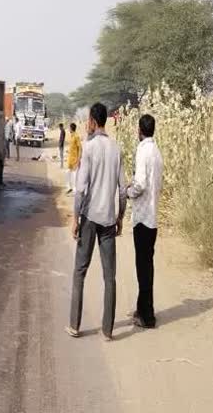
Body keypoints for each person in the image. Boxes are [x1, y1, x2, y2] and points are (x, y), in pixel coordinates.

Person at [66, 102, 126, 342]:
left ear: (92, 120)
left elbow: (81, 189)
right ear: (106, 121)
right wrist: (120, 217)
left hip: (90, 217)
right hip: (109, 219)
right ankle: (108, 330)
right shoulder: (116, 148)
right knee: (109, 276)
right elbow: (122, 190)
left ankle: (74, 325)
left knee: (80, 270)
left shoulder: (89, 148)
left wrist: (75, 218)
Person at [126, 114, 163, 329]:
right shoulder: (157, 152)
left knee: (143, 268)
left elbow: (139, 184)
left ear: (140, 130)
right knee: (146, 265)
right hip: (152, 216)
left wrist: (129, 192)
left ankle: (147, 316)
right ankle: (142, 309)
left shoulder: (143, 150)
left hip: (142, 218)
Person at [66, 123, 82, 193]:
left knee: (75, 174)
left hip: (75, 159)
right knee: (68, 172)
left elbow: (80, 148)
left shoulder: (76, 136)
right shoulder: (71, 136)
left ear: (71, 128)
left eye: (69, 128)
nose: (68, 129)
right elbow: (72, 147)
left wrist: (79, 159)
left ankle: (75, 188)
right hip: (70, 158)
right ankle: (69, 187)